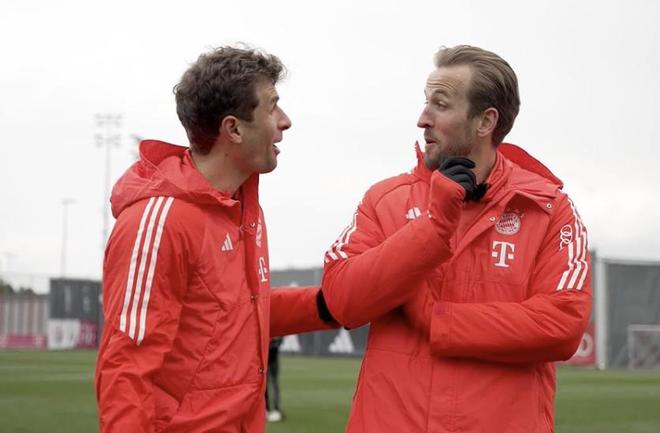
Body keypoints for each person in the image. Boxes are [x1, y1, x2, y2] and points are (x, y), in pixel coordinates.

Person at [321, 45, 592, 433]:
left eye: (440, 104)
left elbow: (562, 325)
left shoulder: (548, 209)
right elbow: (341, 300)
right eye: (425, 102)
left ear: (485, 121)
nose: (422, 119)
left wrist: (438, 320)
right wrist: (431, 228)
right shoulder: (385, 200)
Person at [95, 46, 336, 433]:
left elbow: (238, 311)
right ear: (233, 129)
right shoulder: (160, 220)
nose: (285, 121)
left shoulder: (242, 208)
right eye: (272, 106)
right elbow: (126, 369)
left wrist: (335, 303)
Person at [265, 336, 284, 422]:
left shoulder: (277, 336)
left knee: (274, 384)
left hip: (273, 360)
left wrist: (273, 343)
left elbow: (279, 341)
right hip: (265, 359)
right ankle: (266, 408)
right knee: (265, 384)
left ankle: (276, 408)